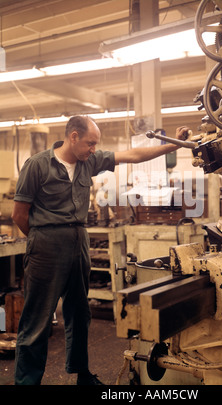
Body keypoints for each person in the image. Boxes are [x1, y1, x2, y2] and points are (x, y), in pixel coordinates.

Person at [11, 115, 190, 385]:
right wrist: (42, 239)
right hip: (46, 243)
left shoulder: (89, 161)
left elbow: (133, 154)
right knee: (37, 318)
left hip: (78, 240)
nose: (94, 149)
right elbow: (18, 214)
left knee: (80, 312)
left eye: (96, 144)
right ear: (73, 137)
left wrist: (172, 146)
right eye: (90, 143)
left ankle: (82, 374)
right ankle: (27, 381)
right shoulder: (37, 165)